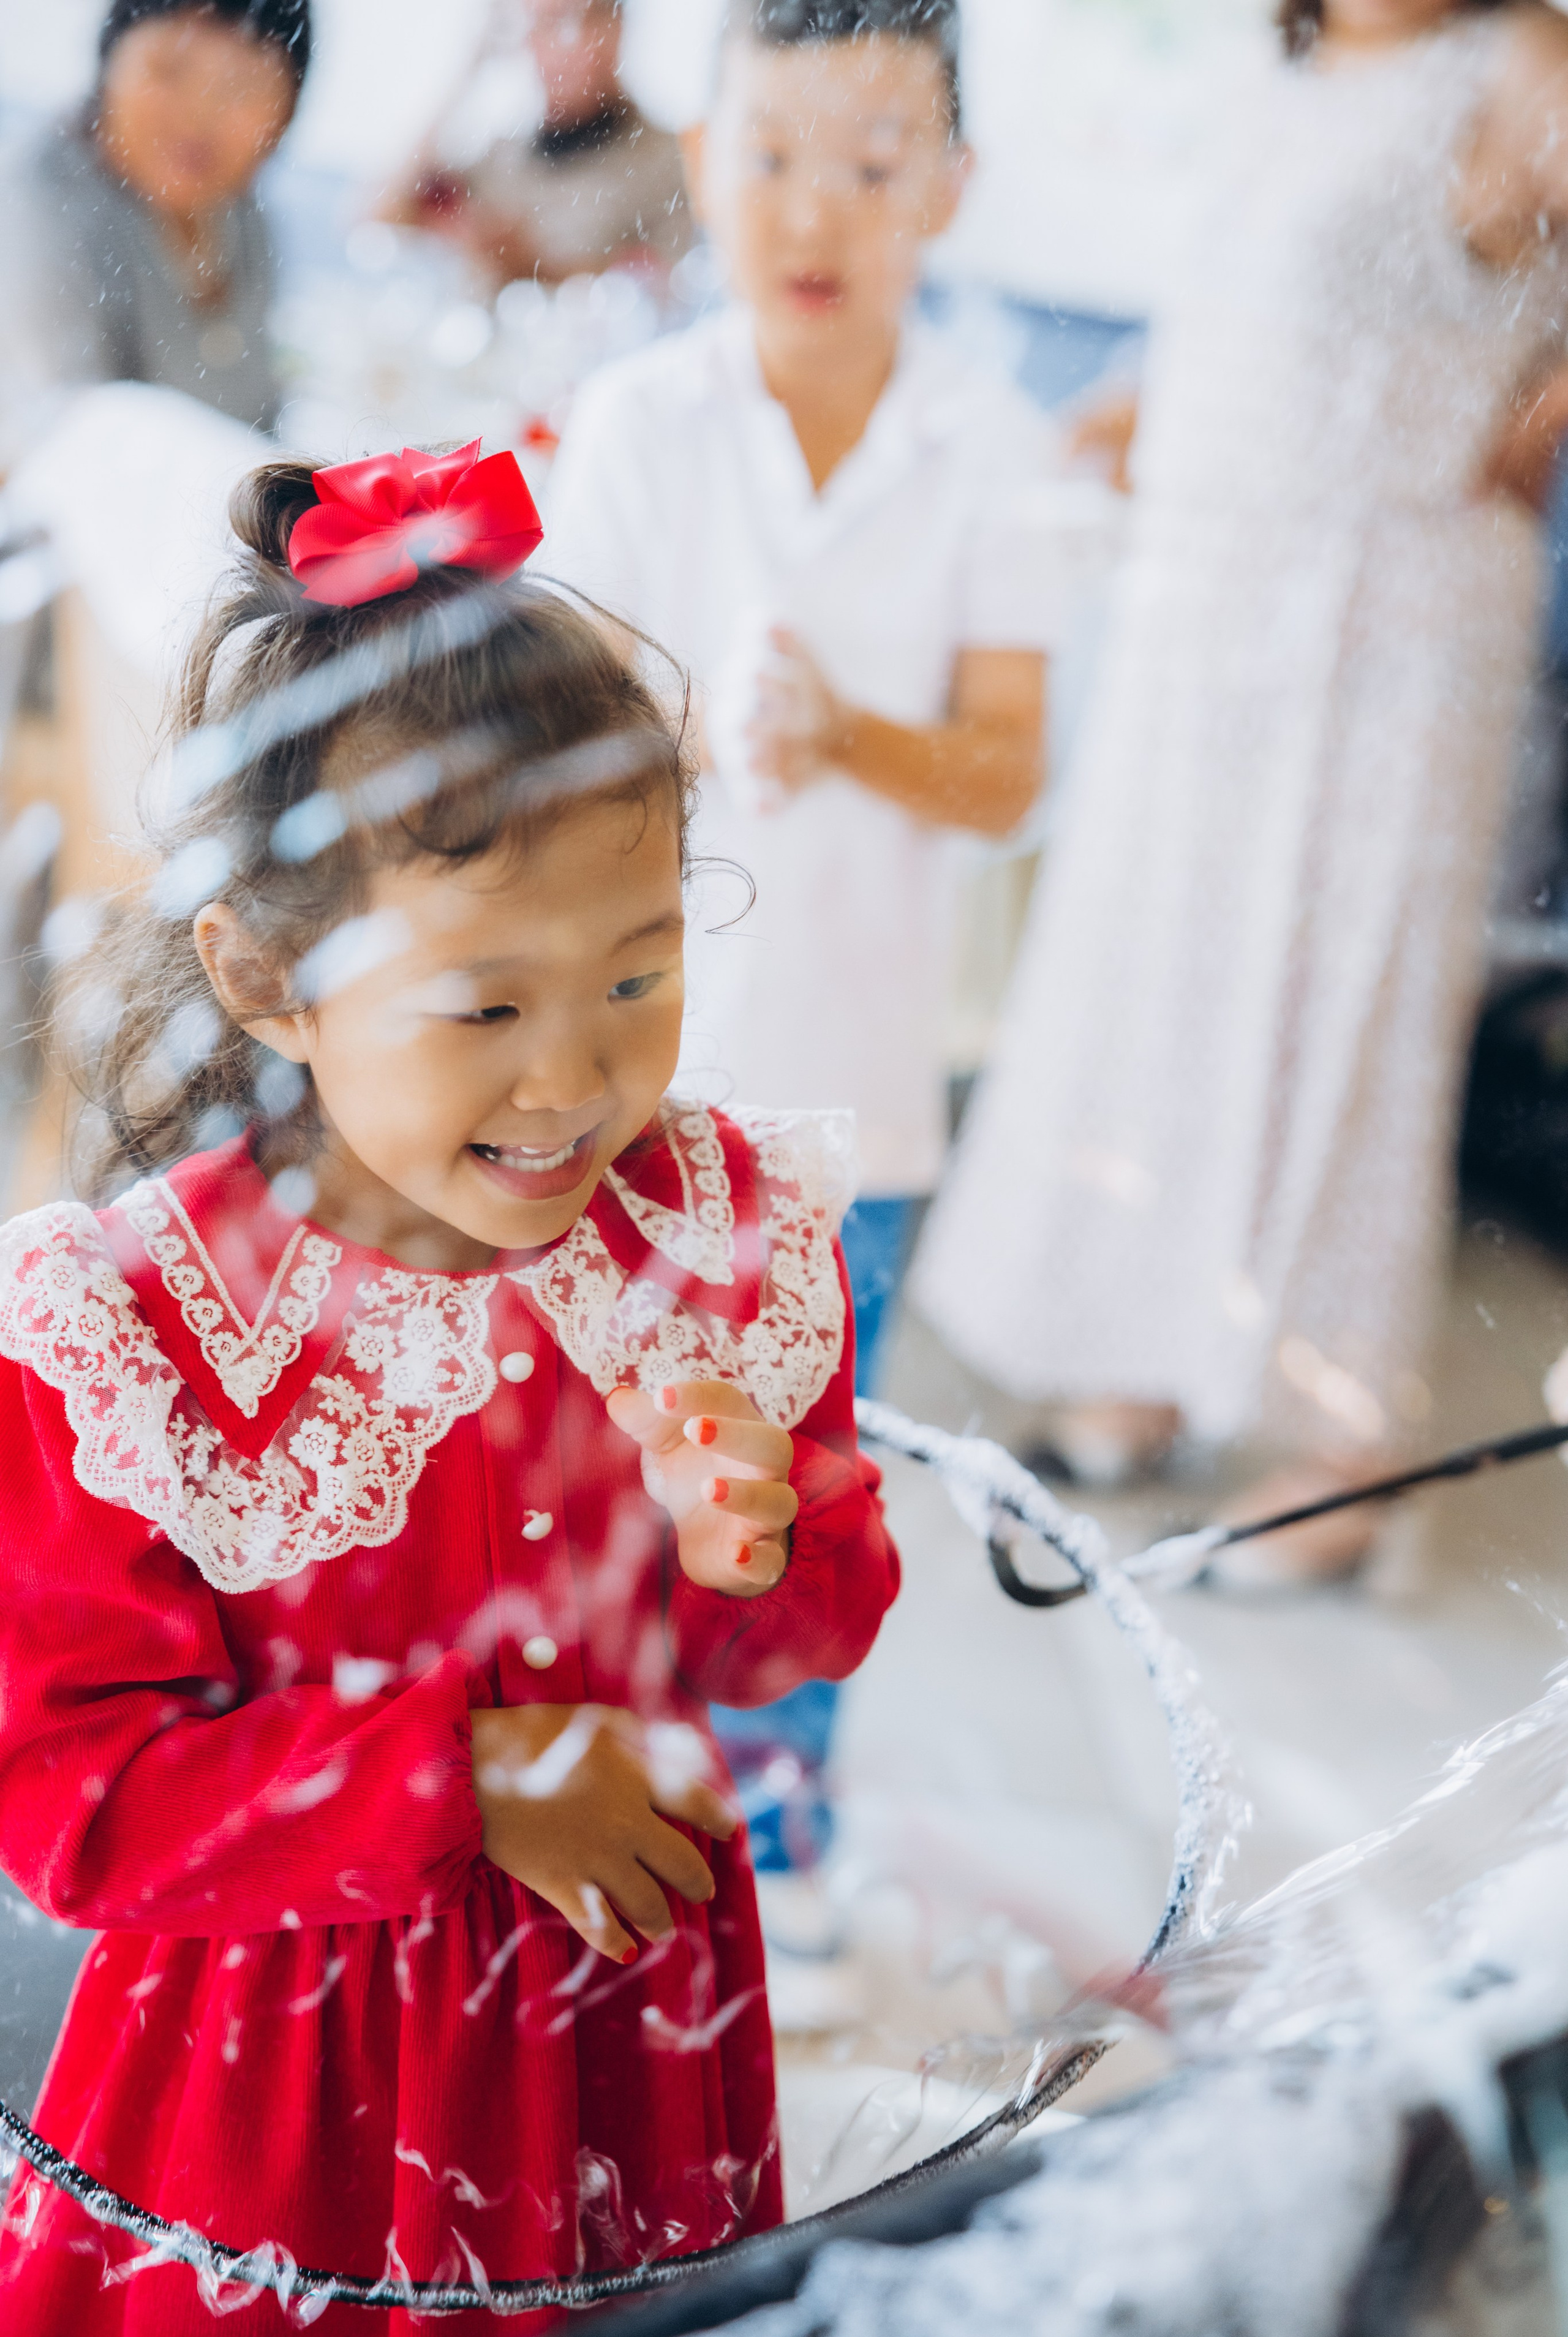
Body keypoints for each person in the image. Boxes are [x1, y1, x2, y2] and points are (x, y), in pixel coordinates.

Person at [0, 440, 899, 2337]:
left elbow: (806, 1628)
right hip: (279, 2105)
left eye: (638, 976)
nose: (574, 1077)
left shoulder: (702, 1232)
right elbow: (74, 1799)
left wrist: (764, 1537)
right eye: (484, 1006)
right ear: (263, 976)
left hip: (624, 2052)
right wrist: (460, 1781)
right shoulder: (140, 1328)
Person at [914, 0, 1568, 1579]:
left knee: (1345, 996)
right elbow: (1242, 314)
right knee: (1170, 971)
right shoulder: (1285, 70)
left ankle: (1331, 1448)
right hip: (1204, 587)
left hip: (1385, 593)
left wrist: (1541, 414)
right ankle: (1144, 1356)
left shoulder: (1518, 59)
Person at [544, 0, 1065, 1977]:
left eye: (871, 158)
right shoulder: (643, 422)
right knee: (603, 1487)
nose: (812, 207)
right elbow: (569, 746)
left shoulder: (991, 443)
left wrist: (849, 736)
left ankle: (763, 1880)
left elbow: (1008, 775)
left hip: (861, 1098)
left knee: (797, 1509)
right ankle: (594, 1840)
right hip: (630, 1093)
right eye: (770, 152)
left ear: (953, 187)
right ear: (701, 160)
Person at [10, 0, 310, 436]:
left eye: (242, 86)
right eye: (170, 70)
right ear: (109, 66)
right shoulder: (33, 202)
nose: (200, 113)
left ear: (286, 115)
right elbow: (79, 439)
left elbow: (264, 410)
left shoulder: (243, 214)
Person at [379, 0, 693, 293]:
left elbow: (668, 289)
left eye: (568, 24)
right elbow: (380, 219)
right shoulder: (502, 156)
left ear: (615, 29)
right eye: (540, 26)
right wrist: (467, 72)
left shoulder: (670, 162)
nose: (557, 47)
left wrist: (534, 270)